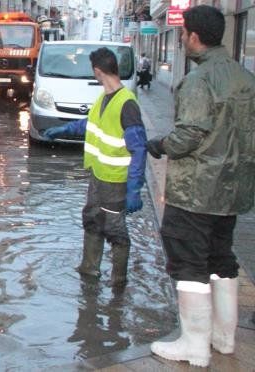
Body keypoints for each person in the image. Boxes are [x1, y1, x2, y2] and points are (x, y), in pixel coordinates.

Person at [145, 5, 255, 368]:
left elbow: (190, 133)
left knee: (188, 263)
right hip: (233, 188)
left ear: (193, 36)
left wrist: (161, 145)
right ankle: (223, 338)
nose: (181, 38)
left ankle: (193, 346)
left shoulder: (199, 79)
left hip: (196, 190)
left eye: (183, 33)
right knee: (222, 259)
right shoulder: (244, 77)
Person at [43, 47, 148, 286]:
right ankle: (89, 270)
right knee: (91, 219)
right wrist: (65, 129)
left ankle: (118, 282)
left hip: (115, 180)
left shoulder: (126, 103)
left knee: (115, 231)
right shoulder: (103, 98)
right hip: (98, 176)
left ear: (97, 71)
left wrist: (134, 189)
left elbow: (139, 148)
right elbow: (91, 124)